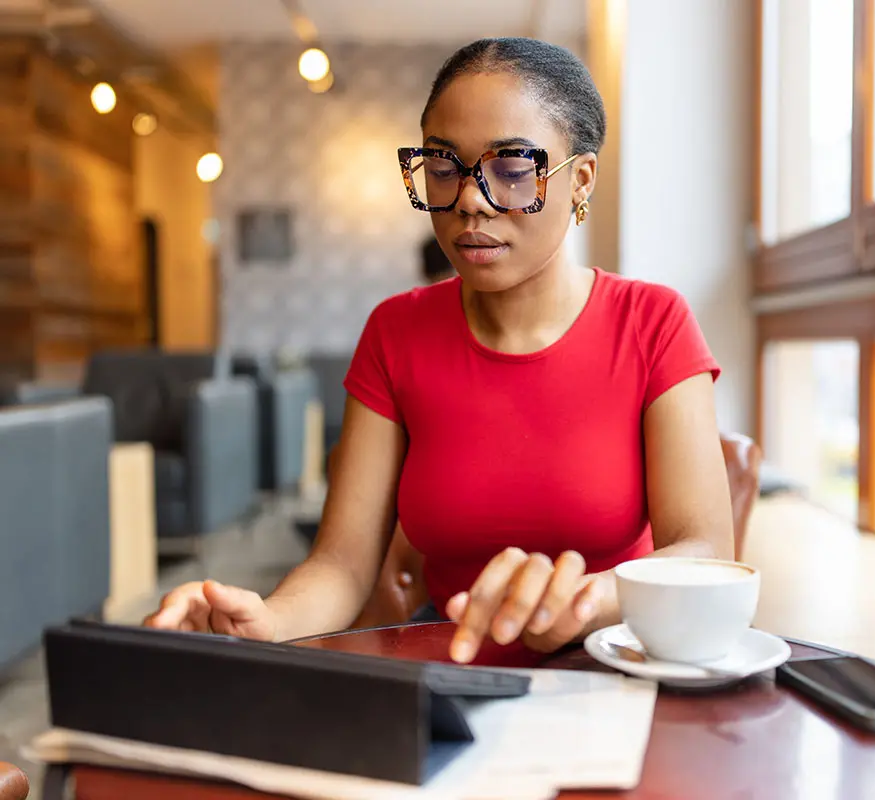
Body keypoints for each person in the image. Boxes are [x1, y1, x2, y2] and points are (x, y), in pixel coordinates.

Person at [144, 37, 734, 665]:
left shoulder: (652, 322)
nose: (471, 199)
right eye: (444, 167)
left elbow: (704, 549)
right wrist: (268, 619)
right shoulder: (395, 334)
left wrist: (586, 599)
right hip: (446, 678)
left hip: (613, 664)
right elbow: (342, 564)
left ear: (579, 179)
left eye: (512, 170)